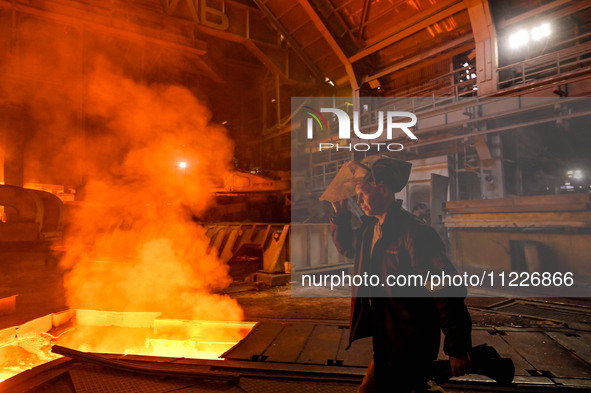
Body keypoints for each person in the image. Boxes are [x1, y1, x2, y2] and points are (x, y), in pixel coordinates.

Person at [328, 156, 472, 393]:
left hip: (411, 341)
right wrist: (339, 215)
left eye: (362, 193)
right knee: (370, 389)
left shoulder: (415, 233)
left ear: (382, 190)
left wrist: (457, 347)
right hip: (386, 337)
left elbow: (446, 289)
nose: (358, 199)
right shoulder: (370, 227)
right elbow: (349, 249)